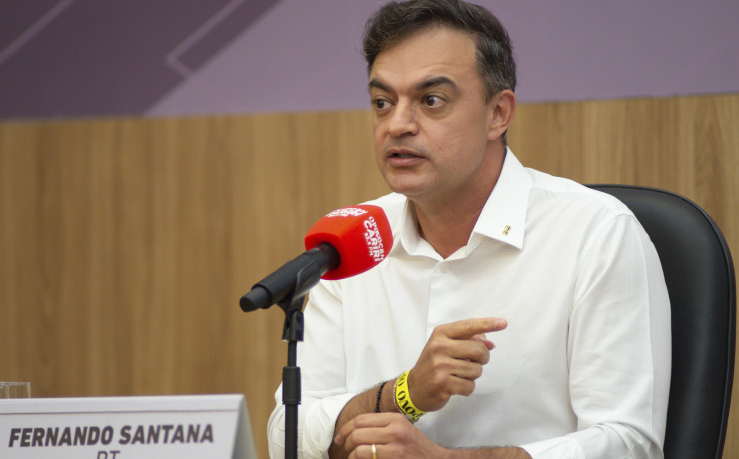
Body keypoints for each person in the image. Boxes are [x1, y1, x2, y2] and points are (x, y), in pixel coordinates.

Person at [267, 1, 671, 457]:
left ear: (498, 114)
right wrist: (407, 393)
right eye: (383, 102)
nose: (397, 124)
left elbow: (629, 443)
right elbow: (288, 436)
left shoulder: (596, 234)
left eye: (431, 100)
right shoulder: (351, 242)